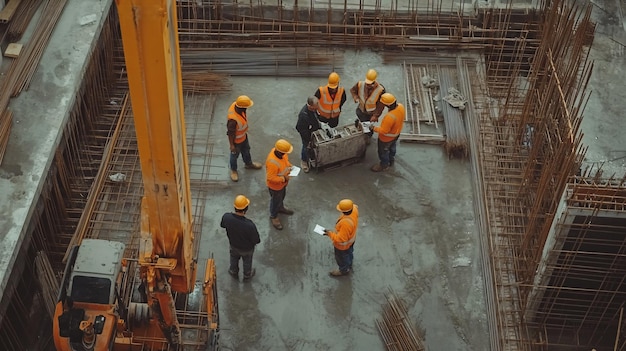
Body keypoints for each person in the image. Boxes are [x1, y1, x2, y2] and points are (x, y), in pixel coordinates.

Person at [220, 195, 261, 280]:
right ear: (246, 209)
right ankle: (247, 274)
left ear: (235, 207)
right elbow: (256, 240)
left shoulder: (227, 217)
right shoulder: (250, 225)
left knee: (234, 258)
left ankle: (233, 271)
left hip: (234, 245)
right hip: (247, 249)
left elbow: (222, 225)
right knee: (247, 262)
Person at [227, 95, 263, 182]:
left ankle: (248, 164)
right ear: (242, 108)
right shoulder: (233, 120)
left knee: (246, 150)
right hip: (236, 141)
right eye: (246, 107)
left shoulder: (237, 106)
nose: (247, 109)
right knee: (234, 155)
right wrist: (232, 145)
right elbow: (230, 133)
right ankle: (234, 170)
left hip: (243, 137)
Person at [323, 199, 359, 277]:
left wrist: (329, 234)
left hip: (342, 246)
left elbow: (341, 239)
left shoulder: (345, 223)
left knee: (342, 258)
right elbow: (355, 206)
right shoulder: (354, 210)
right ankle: (349, 263)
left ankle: (343, 270)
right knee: (349, 252)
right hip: (351, 239)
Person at [349, 69, 386, 143]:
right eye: (367, 83)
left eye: (369, 84)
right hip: (361, 109)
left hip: (371, 113)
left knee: (369, 127)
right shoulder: (360, 84)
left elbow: (381, 105)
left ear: (374, 81)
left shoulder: (380, 90)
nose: (367, 85)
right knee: (362, 120)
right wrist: (356, 97)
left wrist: (375, 116)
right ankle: (362, 127)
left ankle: (368, 135)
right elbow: (353, 90)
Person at [370, 93, 404, 172]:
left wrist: (373, 128)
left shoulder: (389, 117)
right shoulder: (401, 107)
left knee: (383, 152)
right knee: (392, 147)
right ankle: (391, 159)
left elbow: (384, 131)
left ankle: (384, 165)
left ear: (386, 105)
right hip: (396, 134)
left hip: (386, 139)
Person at [265, 139, 294, 230]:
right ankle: (274, 216)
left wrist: (290, 166)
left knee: (281, 197)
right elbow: (271, 178)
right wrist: (283, 178)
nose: (286, 154)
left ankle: (280, 207)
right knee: (275, 201)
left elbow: (285, 162)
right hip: (275, 187)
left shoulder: (282, 154)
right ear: (280, 151)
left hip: (282, 185)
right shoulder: (272, 162)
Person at [295, 96, 322, 173]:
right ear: (310, 106)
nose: (318, 105)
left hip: (313, 129)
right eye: (316, 104)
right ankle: (304, 161)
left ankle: (313, 155)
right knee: (306, 146)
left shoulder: (314, 109)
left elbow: (316, 116)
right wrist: (308, 139)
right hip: (307, 134)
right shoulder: (303, 115)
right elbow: (300, 129)